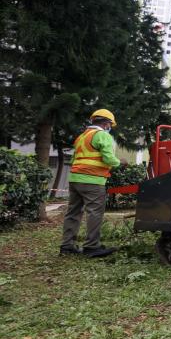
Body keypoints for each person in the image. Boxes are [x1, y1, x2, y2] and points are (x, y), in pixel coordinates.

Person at [59, 109, 121, 257]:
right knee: (94, 213)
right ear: (107, 124)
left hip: (75, 179)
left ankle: (67, 246)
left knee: (73, 213)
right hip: (92, 181)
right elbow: (109, 159)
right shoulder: (102, 136)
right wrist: (120, 162)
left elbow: (76, 158)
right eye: (110, 125)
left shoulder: (81, 137)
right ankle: (92, 247)